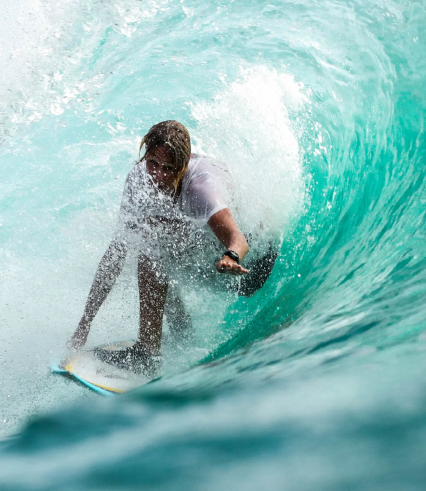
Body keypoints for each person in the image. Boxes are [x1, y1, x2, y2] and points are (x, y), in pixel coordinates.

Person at [68, 120, 276, 375]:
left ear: (185, 163)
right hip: (211, 261)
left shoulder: (201, 188)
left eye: (169, 168)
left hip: (249, 269)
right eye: (153, 163)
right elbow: (116, 254)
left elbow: (238, 238)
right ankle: (182, 333)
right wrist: (84, 324)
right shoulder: (139, 179)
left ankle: (147, 355)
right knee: (149, 239)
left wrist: (231, 257)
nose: (158, 175)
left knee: (152, 253)